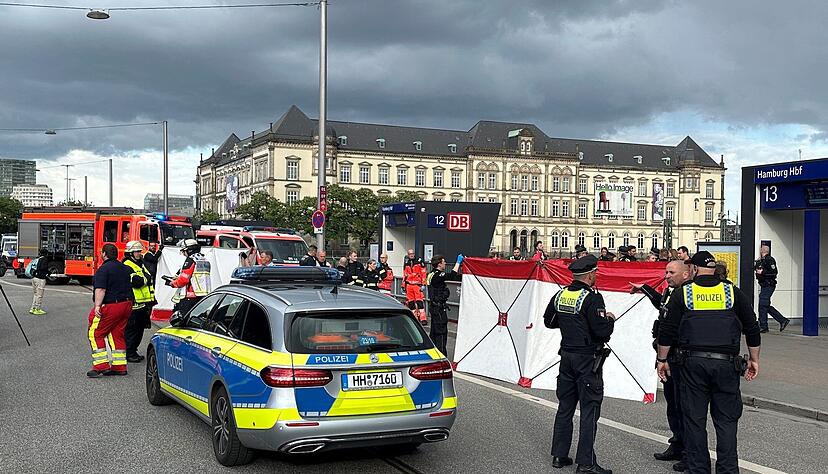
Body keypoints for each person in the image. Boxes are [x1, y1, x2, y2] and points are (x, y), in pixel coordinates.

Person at [657, 251, 762, 474]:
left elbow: (667, 330)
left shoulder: (684, 293)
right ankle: (727, 470)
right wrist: (754, 359)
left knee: (694, 421)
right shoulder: (732, 292)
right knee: (726, 422)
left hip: (692, 365)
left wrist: (662, 360)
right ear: (714, 269)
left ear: (694, 270)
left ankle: (699, 469)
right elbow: (752, 326)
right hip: (727, 365)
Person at [543, 255, 615, 474]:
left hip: (566, 356)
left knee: (565, 406)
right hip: (587, 359)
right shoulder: (592, 298)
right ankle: (586, 463)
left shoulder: (561, 294)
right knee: (589, 409)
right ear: (591, 275)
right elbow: (601, 331)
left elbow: (549, 321)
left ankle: (559, 455)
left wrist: (571, 325)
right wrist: (609, 319)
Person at [631, 260, 692, 471]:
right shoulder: (670, 292)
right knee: (672, 404)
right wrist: (646, 289)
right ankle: (677, 443)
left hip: (679, 357)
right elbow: (662, 306)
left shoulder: (686, 295)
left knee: (684, 406)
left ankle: (688, 452)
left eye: (671, 272)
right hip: (667, 357)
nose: (666, 276)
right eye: (666, 272)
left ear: (686, 274)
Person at [87, 243, 134, 378]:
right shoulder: (125, 268)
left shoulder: (103, 269)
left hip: (112, 305)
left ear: (103, 254)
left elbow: (101, 289)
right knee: (116, 334)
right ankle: (119, 366)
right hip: (127, 304)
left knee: (95, 333)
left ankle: (100, 366)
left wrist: (97, 306)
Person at [122, 241, 156, 363]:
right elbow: (136, 282)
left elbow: (148, 276)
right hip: (134, 304)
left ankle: (133, 350)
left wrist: (145, 279)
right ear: (130, 253)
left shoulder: (140, 264)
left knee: (140, 329)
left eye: (139, 251)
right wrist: (145, 279)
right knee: (132, 330)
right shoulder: (127, 265)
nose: (139, 254)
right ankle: (129, 352)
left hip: (143, 304)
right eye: (136, 251)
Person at [427, 254, 462, 356]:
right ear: (439, 264)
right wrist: (458, 262)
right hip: (438, 308)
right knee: (441, 333)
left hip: (434, 307)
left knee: (433, 332)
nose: (445, 263)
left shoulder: (431, 274)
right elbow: (451, 276)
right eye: (443, 262)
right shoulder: (437, 275)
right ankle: (442, 357)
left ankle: (433, 356)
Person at [165, 239, 211, 316]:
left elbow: (184, 280)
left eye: (184, 251)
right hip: (203, 296)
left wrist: (172, 283)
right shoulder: (204, 260)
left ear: (189, 250)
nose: (183, 254)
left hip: (190, 297)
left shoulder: (190, 260)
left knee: (182, 320)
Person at [754, 245, 790, 333]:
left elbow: (774, 272)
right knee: (764, 305)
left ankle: (765, 325)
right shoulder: (761, 261)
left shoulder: (769, 259)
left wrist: (763, 272)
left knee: (763, 304)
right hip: (764, 285)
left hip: (769, 284)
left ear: (763, 251)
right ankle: (780, 321)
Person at [403, 249, 428, 325]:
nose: (411, 255)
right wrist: (403, 285)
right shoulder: (406, 263)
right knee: (411, 303)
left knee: (419, 301)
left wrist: (423, 284)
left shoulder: (419, 261)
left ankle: (423, 318)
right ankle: (414, 318)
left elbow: (423, 273)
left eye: (412, 253)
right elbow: (405, 275)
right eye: (410, 253)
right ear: (408, 254)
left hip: (417, 285)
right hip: (409, 285)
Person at [29, 248, 50, 315]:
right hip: (40, 279)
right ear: (46, 254)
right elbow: (43, 268)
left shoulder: (38, 259)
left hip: (34, 278)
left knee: (35, 294)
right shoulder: (45, 259)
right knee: (39, 295)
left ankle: (32, 308)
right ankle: (37, 309)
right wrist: (48, 273)